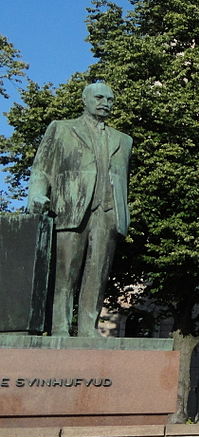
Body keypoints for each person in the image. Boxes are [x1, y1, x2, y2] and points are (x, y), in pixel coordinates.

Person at [28, 82, 132, 337]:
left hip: (108, 213)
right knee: (65, 273)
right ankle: (60, 328)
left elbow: (122, 179)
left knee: (98, 274)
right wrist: (37, 193)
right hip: (71, 209)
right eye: (99, 97)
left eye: (110, 99)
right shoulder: (61, 129)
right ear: (84, 100)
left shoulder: (124, 140)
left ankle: (88, 327)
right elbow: (42, 167)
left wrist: (122, 214)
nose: (105, 102)